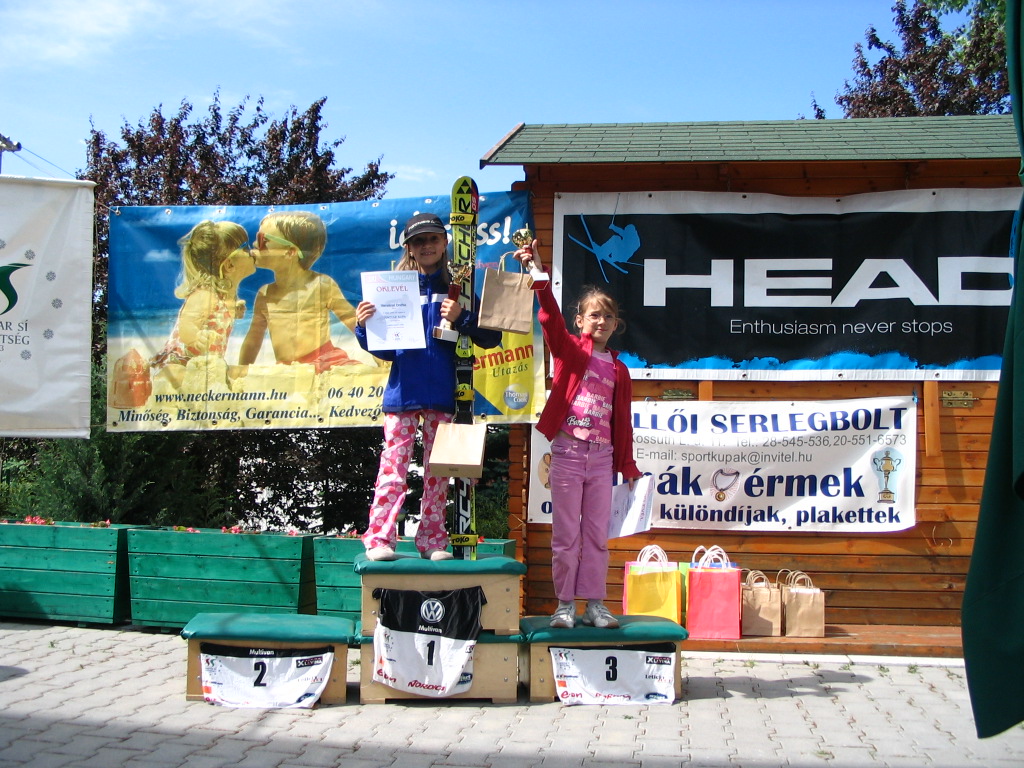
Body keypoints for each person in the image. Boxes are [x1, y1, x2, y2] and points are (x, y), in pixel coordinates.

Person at [354, 212, 502, 561]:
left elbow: (491, 338)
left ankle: (433, 541)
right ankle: (379, 539)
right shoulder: (393, 289)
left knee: (438, 474)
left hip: (444, 394)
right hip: (402, 394)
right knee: (393, 470)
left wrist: (463, 318)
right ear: (409, 247)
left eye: (433, 239)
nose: (426, 246)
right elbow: (387, 351)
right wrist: (363, 328)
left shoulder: (459, 287)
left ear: (444, 242)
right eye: (418, 241)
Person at [514, 237, 641, 629]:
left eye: (608, 317)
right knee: (566, 536)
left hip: (601, 460)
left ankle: (595, 604)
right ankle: (565, 604)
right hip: (568, 455)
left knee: (597, 537)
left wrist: (628, 466)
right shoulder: (570, 352)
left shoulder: (619, 370)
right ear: (580, 322)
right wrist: (537, 273)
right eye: (593, 315)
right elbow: (550, 320)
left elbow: (623, 422)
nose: (600, 322)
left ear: (616, 325)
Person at [238, 211, 359, 372]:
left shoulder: (321, 284)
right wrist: (241, 370)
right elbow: (253, 339)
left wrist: (380, 357)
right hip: (288, 369)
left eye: (262, 240)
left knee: (356, 373)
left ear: (290, 252)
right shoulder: (265, 294)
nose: (254, 244)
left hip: (326, 361)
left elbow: (351, 319)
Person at [151, 219, 256, 387]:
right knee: (180, 374)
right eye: (246, 248)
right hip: (180, 364)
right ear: (229, 265)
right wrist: (195, 337)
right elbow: (187, 323)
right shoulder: (205, 295)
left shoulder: (224, 297)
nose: (252, 252)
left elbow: (216, 318)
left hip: (203, 369)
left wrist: (233, 310)